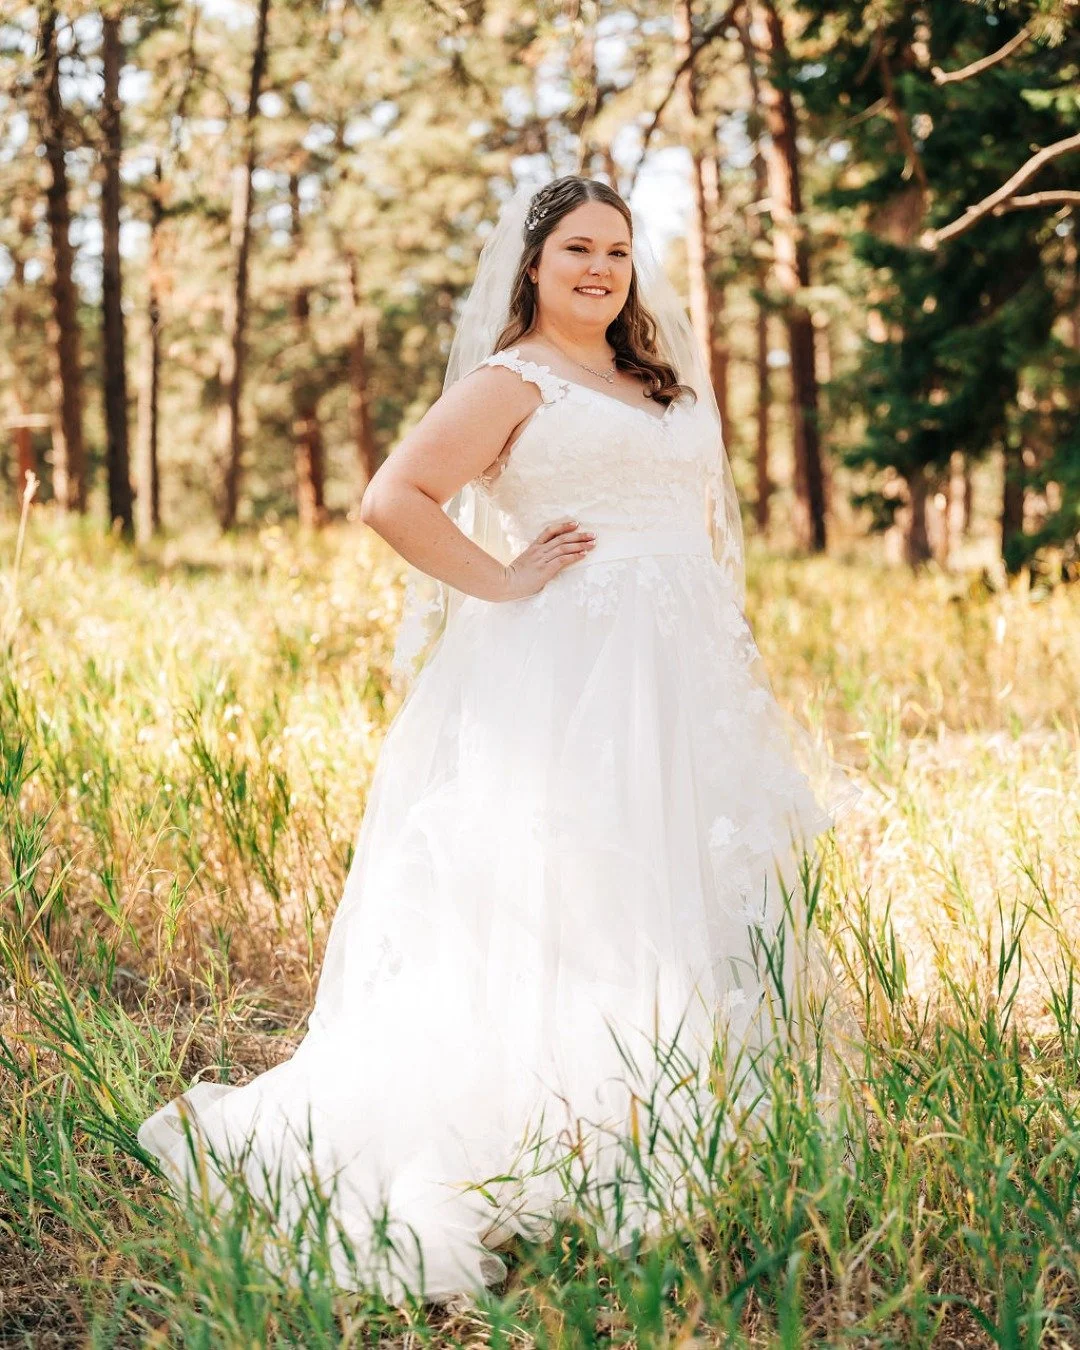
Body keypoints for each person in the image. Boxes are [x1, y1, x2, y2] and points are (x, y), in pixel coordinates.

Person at [138, 175, 858, 1306]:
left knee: (672, 883)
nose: (602, 269)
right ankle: (545, 1125)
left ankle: (659, 1113)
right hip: (571, 669)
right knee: (575, 884)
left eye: (619, 251)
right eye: (578, 247)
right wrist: (505, 579)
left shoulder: (650, 377)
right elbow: (395, 497)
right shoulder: (509, 381)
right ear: (532, 263)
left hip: (681, 669)